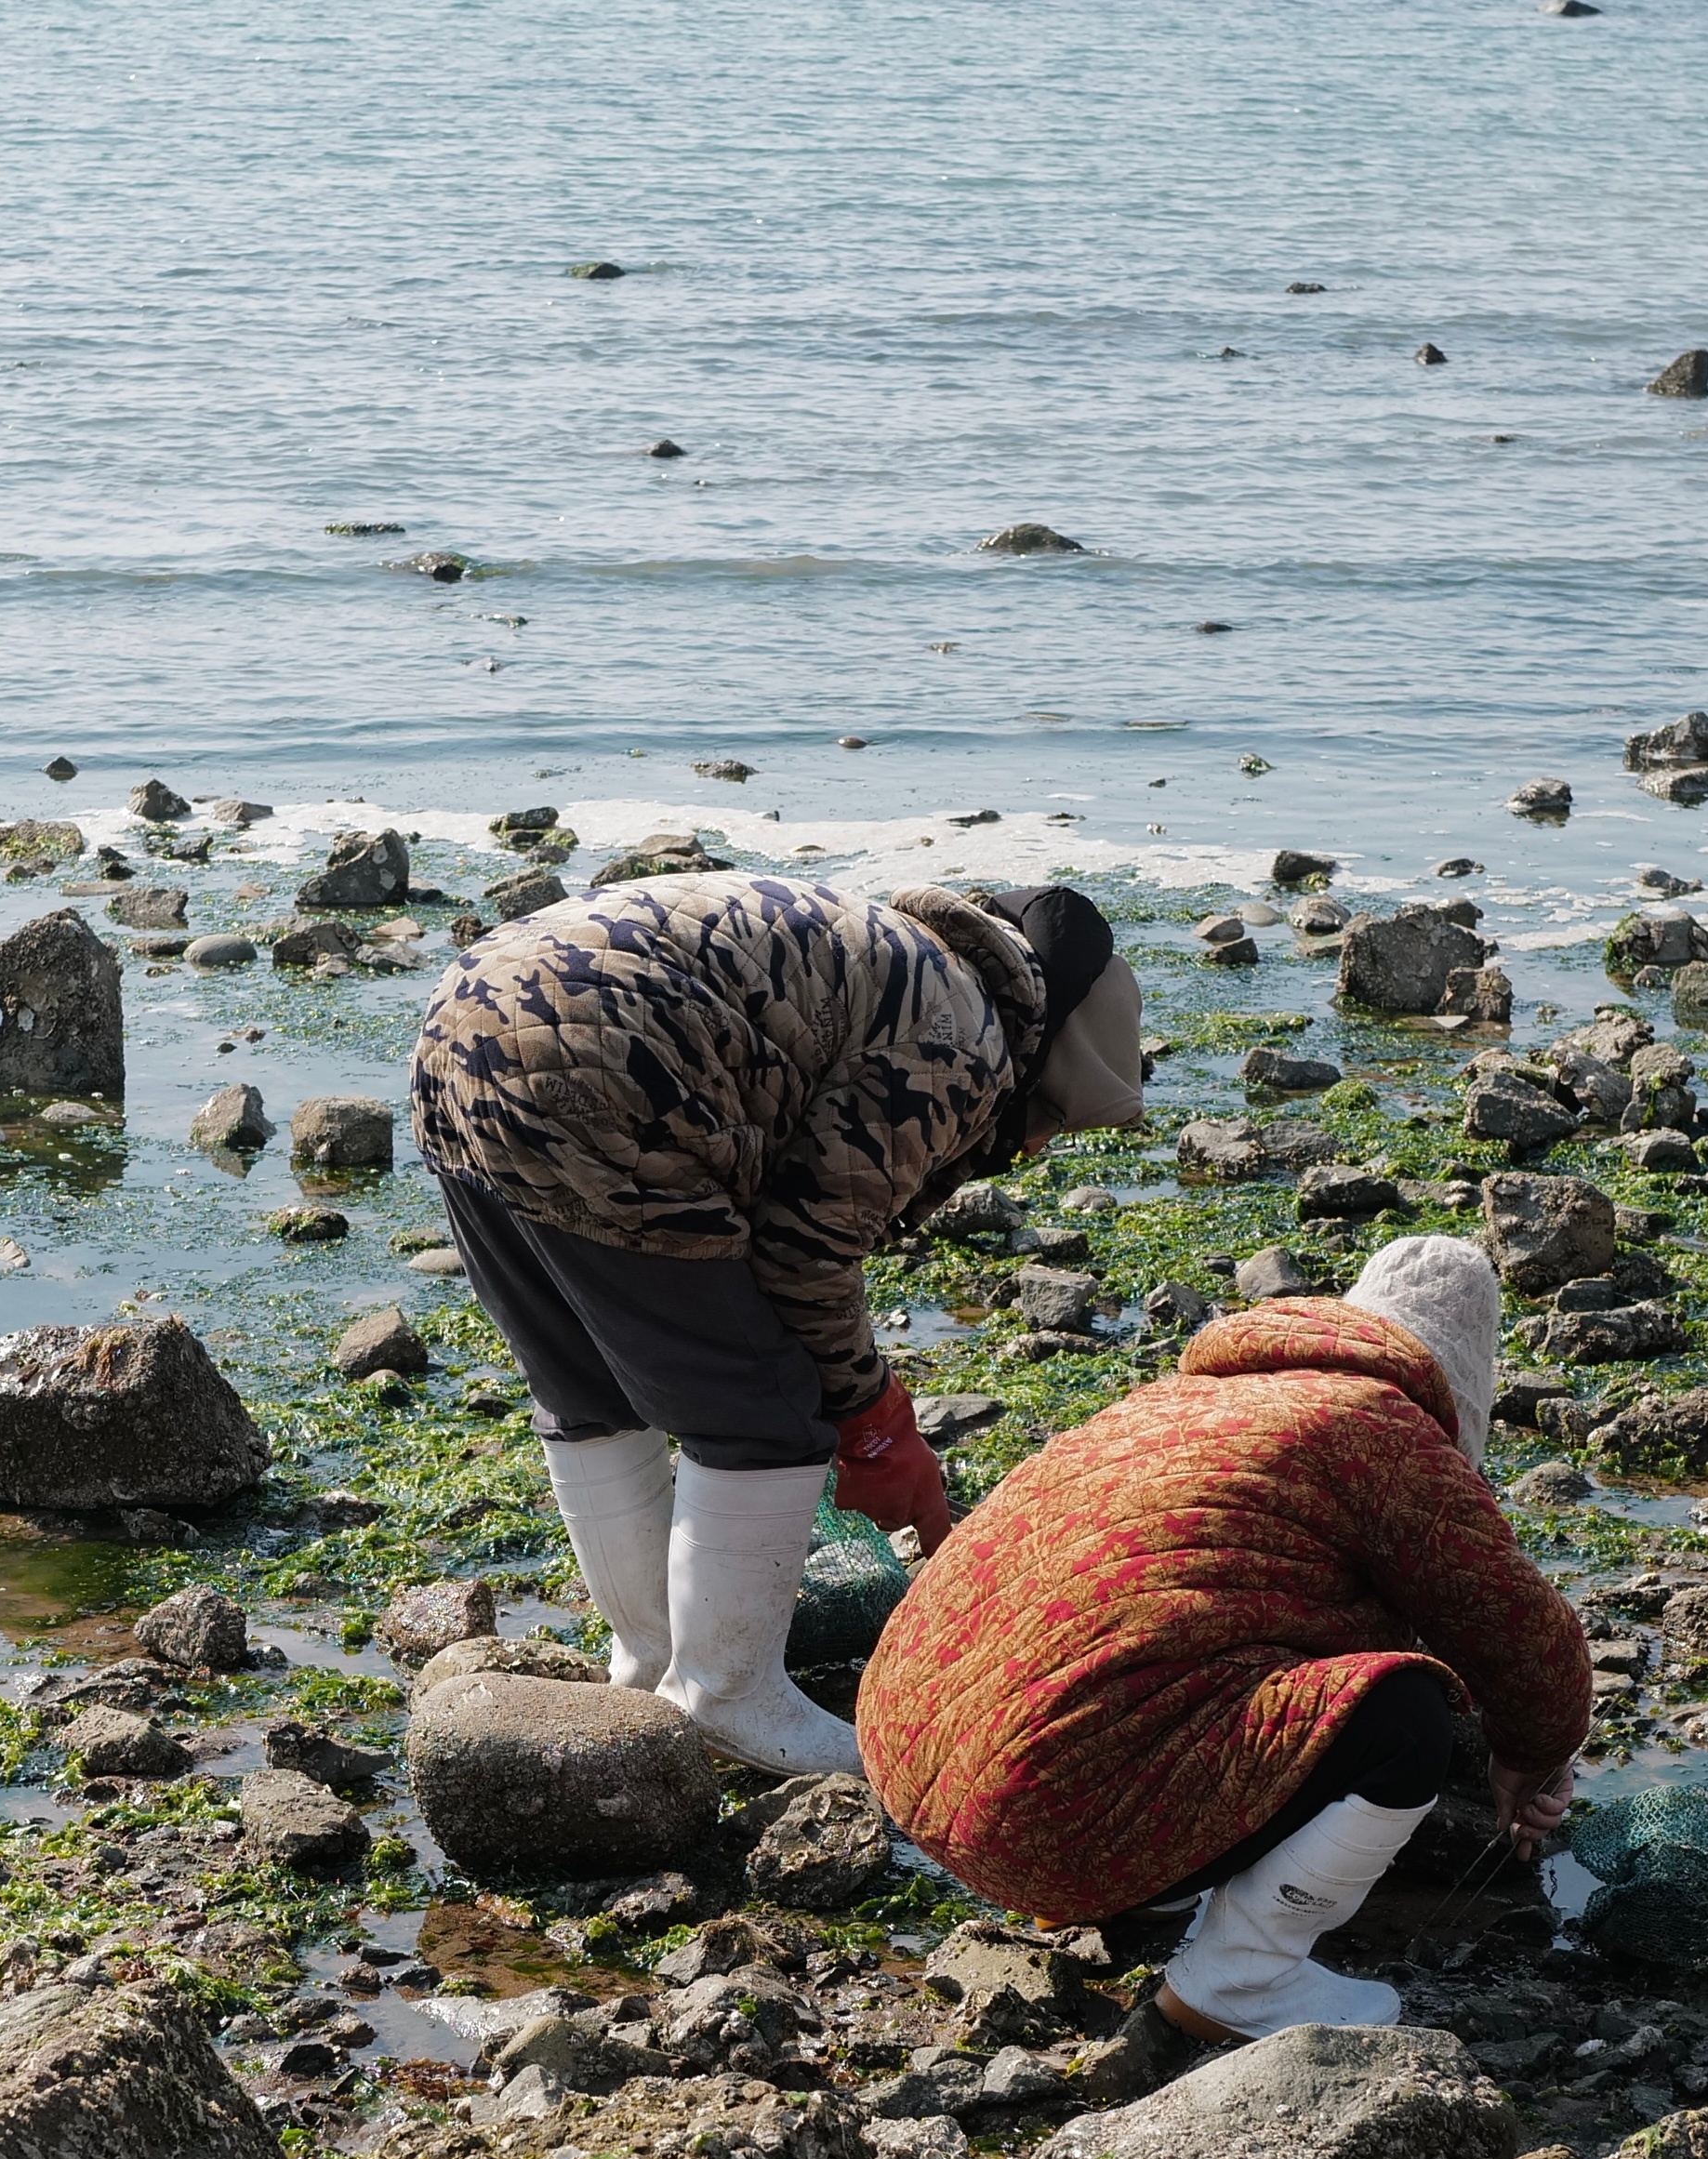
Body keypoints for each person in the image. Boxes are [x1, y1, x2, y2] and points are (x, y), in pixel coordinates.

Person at [410, 871, 1143, 1776]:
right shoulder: (963, 1032)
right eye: (1048, 1121)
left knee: (588, 1381)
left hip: (461, 1029)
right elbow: (803, 1250)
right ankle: (727, 1694)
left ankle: (650, 1657)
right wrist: (870, 1422)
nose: (1033, 1143)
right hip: (606, 1057)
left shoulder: (886, 944)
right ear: (1064, 1049)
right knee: (764, 1411)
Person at [856, 1236, 1589, 2045]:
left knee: (1181, 1643)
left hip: (910, 1757)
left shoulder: (1168, 1401)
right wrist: (1530, 1754)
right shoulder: (1378, 1425)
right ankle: (1241, 1978)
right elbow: (1516, 1630)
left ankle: (1154, 1884)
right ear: (1453, 1388)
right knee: (1402, 1711)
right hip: (1040, 1820)